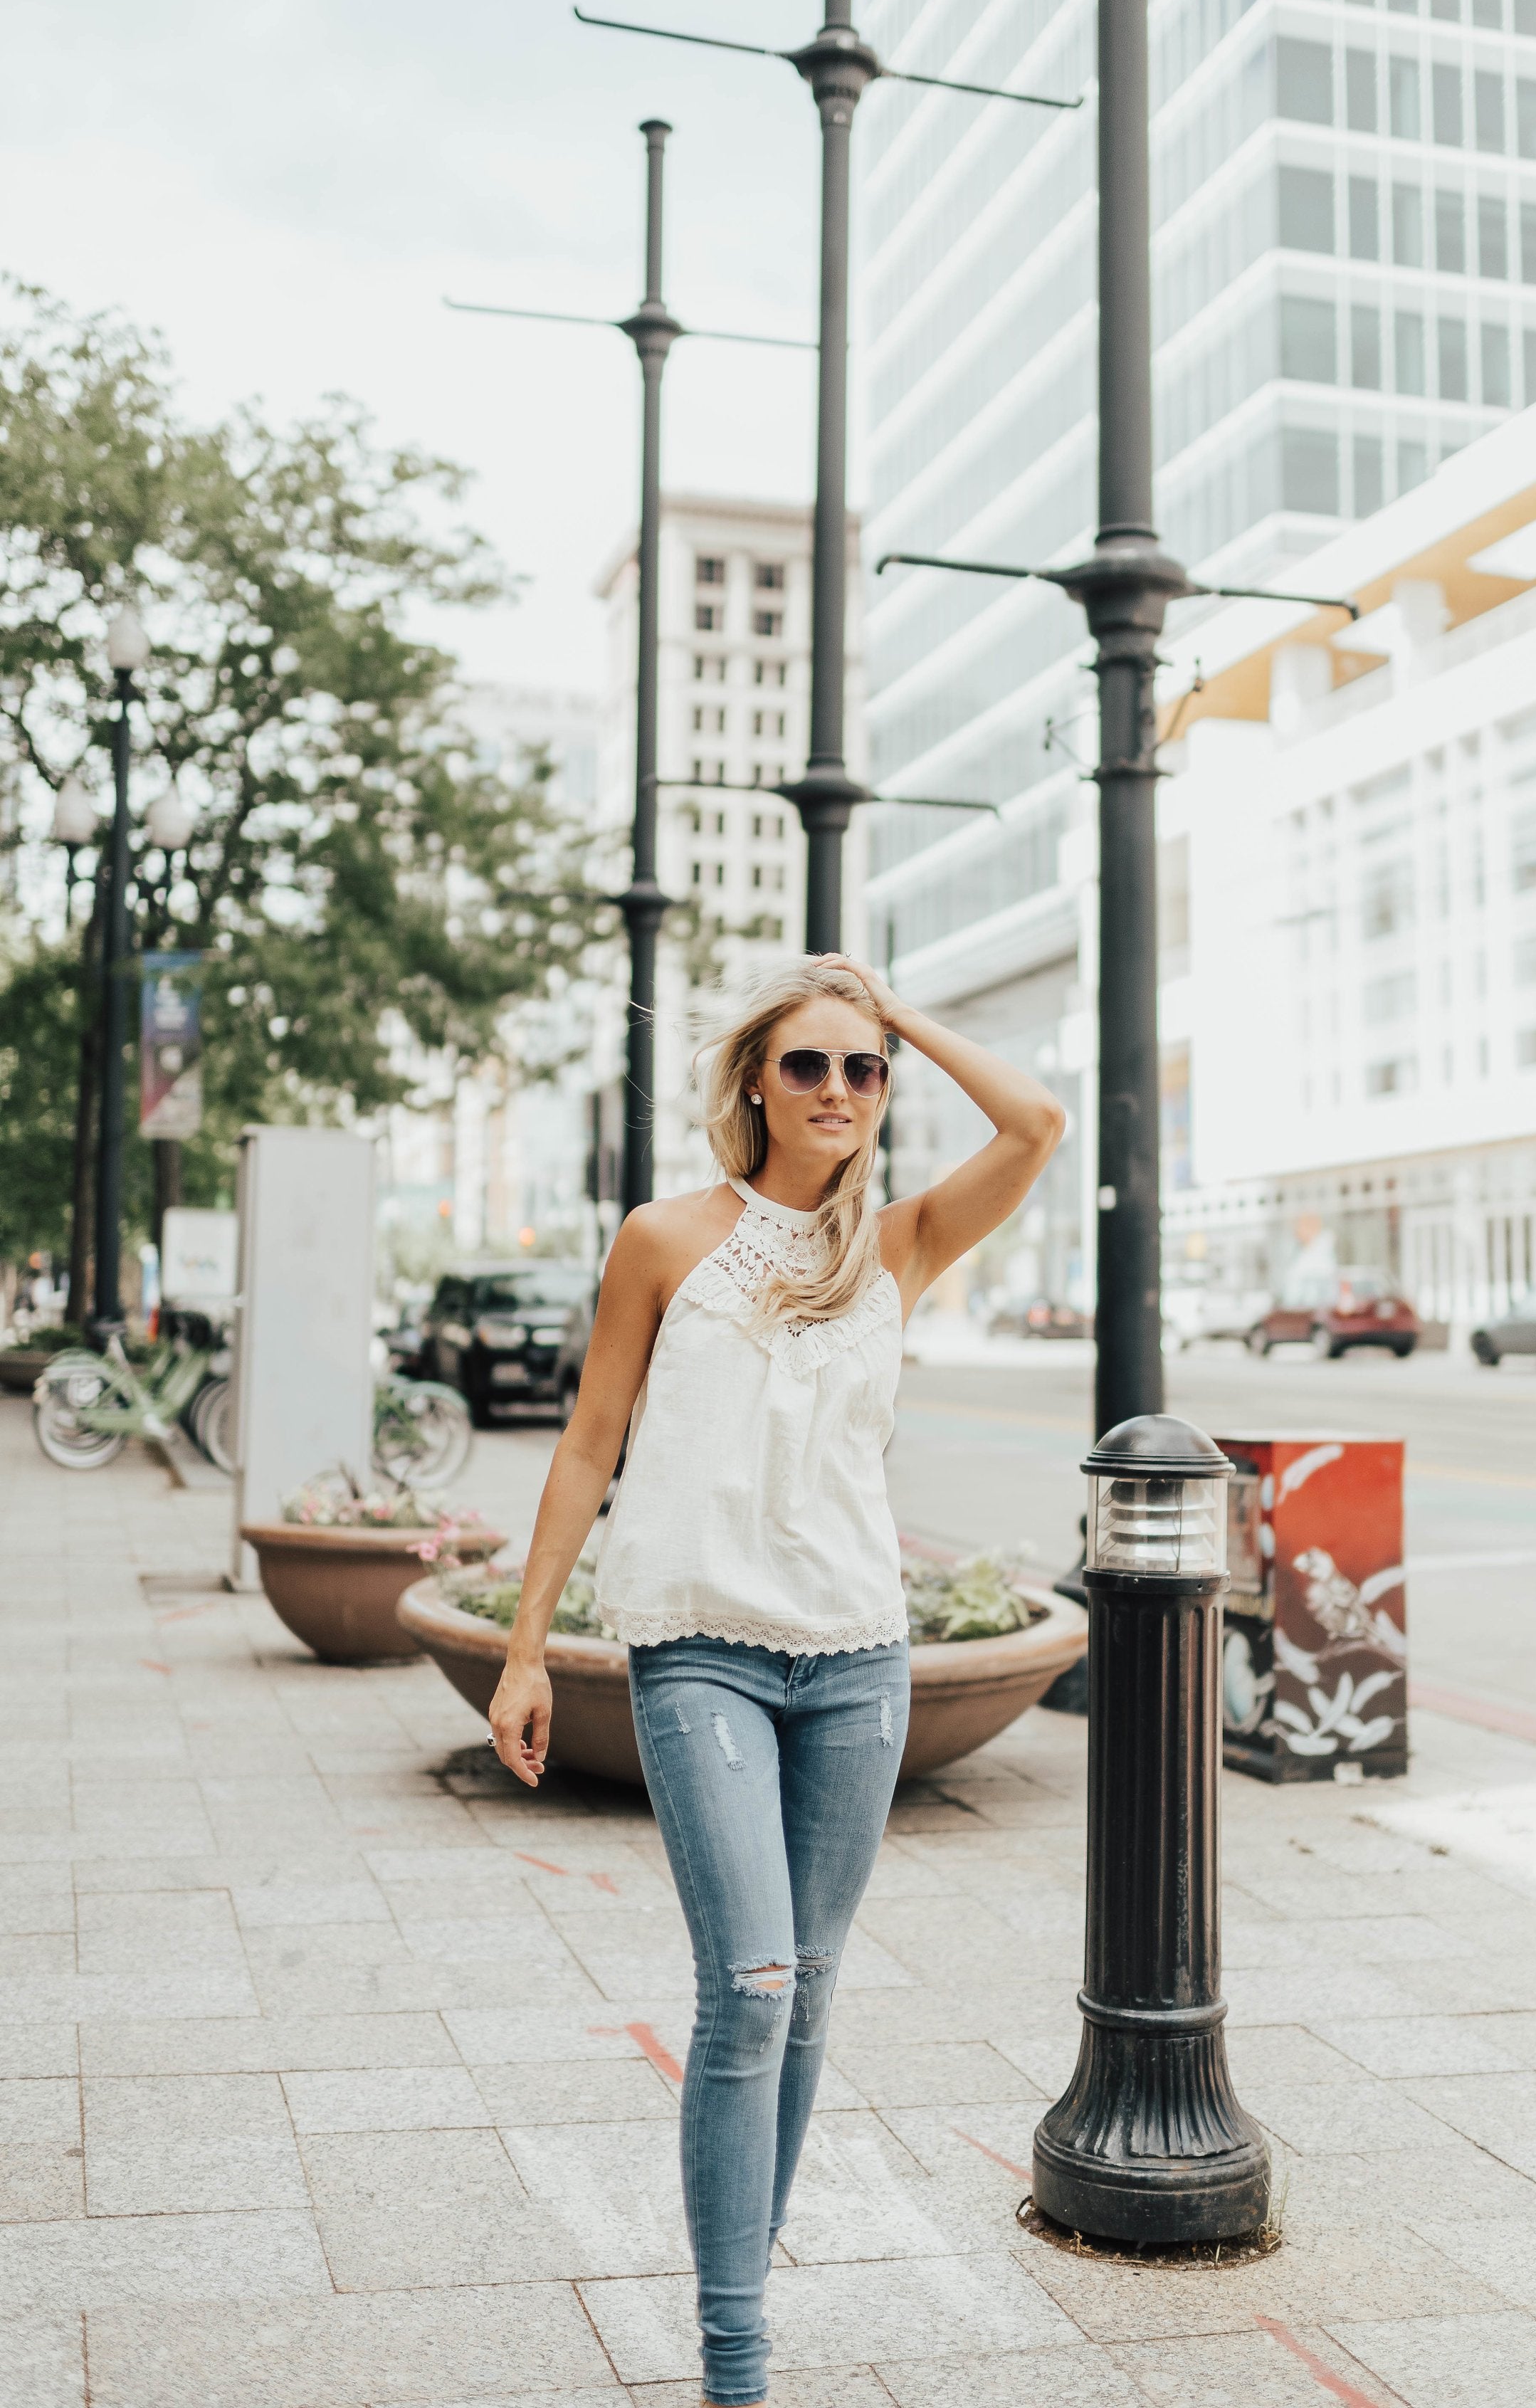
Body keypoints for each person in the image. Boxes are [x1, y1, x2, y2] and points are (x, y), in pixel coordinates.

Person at [488, 952, 1065, 2407]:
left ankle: (747, 2238)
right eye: (805, 1064)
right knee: (747, 1986)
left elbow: (1038, 1126)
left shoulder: (904, 1243)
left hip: (857, 1659)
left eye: (858, 1072)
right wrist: (523, 1646)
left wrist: (897, 1017)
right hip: (698, 1650)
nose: (834, 1091)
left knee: (804, 1995)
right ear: (755, 1078)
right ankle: (734, 2360)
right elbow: (587, 1441)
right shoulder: (666, 1238)